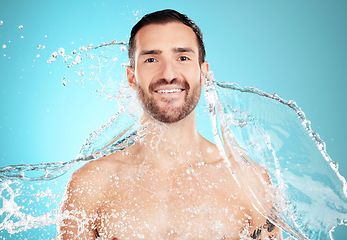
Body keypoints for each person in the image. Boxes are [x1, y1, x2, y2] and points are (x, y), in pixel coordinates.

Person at [58, 9, 283, 239]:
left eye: (182, 58)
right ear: (131, 77)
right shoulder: (91, 184)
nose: (168, 74)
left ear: (204, 74)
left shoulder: (250, 183)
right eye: (151, 59)